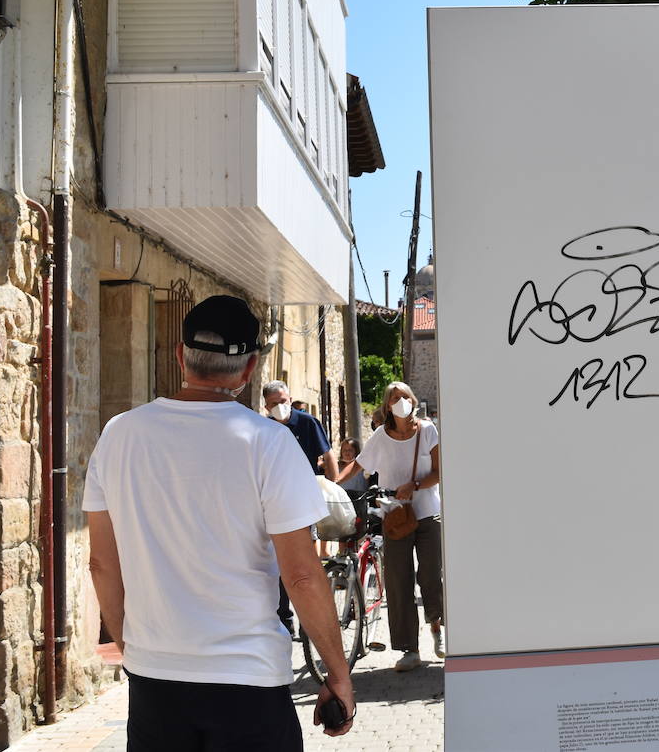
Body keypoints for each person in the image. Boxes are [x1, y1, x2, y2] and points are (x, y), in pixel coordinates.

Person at [84, 295, 355, 747]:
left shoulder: (118, 435)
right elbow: (302, 575)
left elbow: (101, 564)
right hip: (247, 679)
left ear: (180, 355)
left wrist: (132, 647)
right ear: (249, 369)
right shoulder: (270, 443)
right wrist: (338, 674)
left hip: (156, 683)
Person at [337, 381, 443, 669]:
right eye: (395, 398)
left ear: (413, 400)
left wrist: (415, 485)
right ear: (387, 405)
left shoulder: (428, 430)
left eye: (405, 396)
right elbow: (358, 464)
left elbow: (439, 471)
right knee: (398, 582)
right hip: (394, 516)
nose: (401, 401)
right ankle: (410, 650)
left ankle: (437, 626)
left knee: (431, 575)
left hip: (427, 513)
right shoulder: (381, 436)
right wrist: (333, 483)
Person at [264, 379, 337, 634]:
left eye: (283, 401)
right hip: (274, 504)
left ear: (290, 399)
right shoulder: (264, 428)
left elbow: (328, 456)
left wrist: (332, 488)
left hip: (304, 503)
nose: (280, 407)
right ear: (266, 406)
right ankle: (285, 619)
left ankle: (312, 621)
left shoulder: (307, 423)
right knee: (278, 565)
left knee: (304, 565)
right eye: (274, 403)